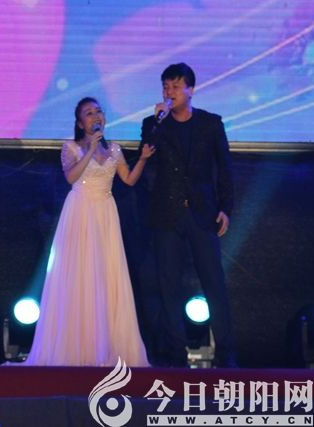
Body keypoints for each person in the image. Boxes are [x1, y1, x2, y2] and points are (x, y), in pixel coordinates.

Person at [23, 97, 154, 367]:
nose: (95, 116)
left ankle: (107, 345)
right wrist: (90, 148)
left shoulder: (114, 149)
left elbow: (129, 179)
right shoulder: (71, 147)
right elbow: (71, 177)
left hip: (105, 213)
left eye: (98, 111)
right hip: (80, 212)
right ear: (80, 123)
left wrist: (142, 159)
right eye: (89, 113)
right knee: (80, 273)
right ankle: (77, 347)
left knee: (106, 274)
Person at [139, 62, 236, 367]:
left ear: (191, 89)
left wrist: (225, 208)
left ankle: (226, 352)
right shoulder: (153, 123)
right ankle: (175, 353)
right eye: (165, 87)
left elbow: (224, 168)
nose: (169, 93)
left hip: (202, 212)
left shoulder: (210, 124)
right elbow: (147, 152)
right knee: (168, 284)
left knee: (214, 282)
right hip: (166, 214)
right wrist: (158, 122)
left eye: (176, 87)